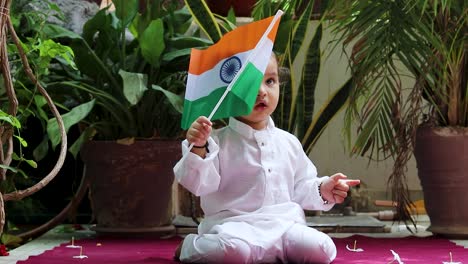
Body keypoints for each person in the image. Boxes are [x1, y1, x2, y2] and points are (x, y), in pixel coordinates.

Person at [173, 53, 360, 264]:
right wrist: (198, 146)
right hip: (235, 229)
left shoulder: (288, 142)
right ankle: (190, 246)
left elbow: (301, 185)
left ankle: (274, 252)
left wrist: (323, 188)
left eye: (270, 81)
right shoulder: (216, 142)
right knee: (233, 253)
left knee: (322, 249)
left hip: (285, 227)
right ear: (229, 91)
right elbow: (199, 185)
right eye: (250, 84)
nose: (262, 91)